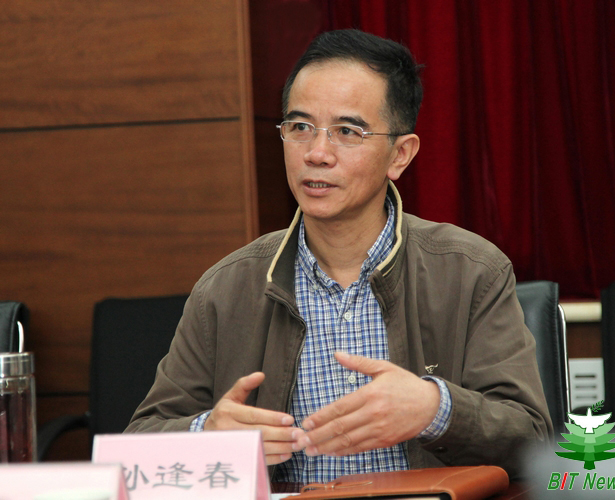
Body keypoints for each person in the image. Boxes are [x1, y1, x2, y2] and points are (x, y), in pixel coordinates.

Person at [126, 29, 552, 481]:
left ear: (400, 155)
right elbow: (140, 442)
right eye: (299, 128)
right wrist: (206, 433)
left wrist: (436, 409)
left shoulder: (471, 271)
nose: (317, 153)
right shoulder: (226, 288)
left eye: (347, 132)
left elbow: (532, 439)